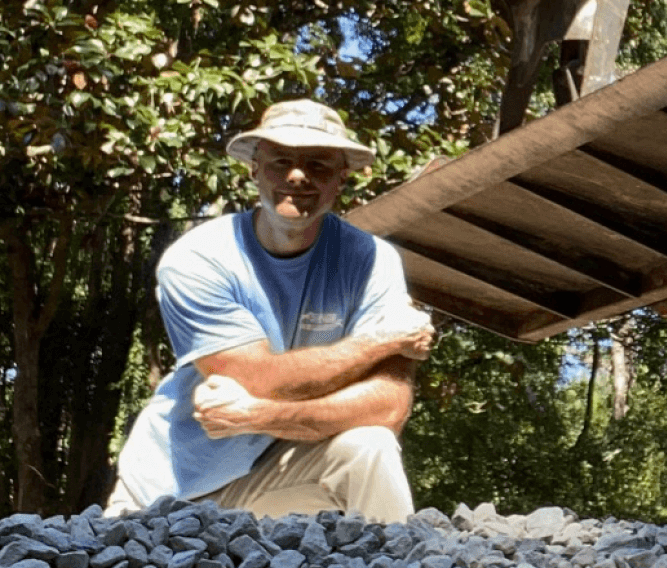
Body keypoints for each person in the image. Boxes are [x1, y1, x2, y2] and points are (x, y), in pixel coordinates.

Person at [106, 99, 435, 523]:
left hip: (276, 476)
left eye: (317, 163)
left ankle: (400, 556)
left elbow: (388, 406)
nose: (298, 176)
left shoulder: (373, 261)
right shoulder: (198, 258)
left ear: (342, 178)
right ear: (255, 169)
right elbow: (252, 377)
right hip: (168, 487)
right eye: (282, 160)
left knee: (370, 446)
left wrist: (258, 415)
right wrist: (379, 343)